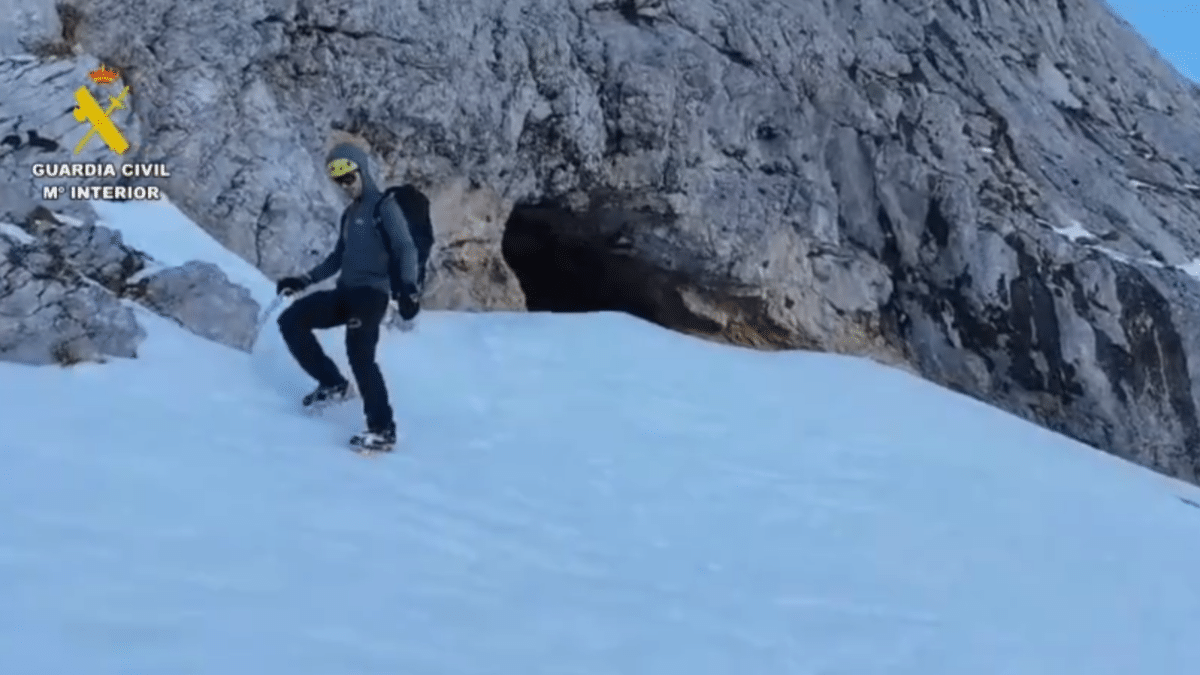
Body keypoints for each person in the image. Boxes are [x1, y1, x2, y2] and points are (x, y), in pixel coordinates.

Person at [274, 142, 422, 452]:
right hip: (345, 292)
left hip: (371, 296)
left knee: (359, 352)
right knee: (291, 320)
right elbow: (337, 257)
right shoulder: (349, 214)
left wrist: (409, 287)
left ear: (361, 170)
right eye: (336, 177)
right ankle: (333, 383)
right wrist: (303, 281)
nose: (344, 183)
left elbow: (406, 248)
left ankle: (382, 429)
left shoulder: (384, 207)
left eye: (347, 173)